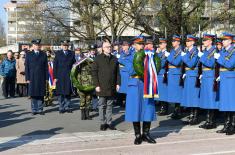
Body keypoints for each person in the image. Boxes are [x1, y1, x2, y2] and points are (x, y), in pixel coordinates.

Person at [124, 35, 157, 145]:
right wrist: (138, 59)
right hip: (135, 83)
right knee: (135, 109)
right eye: (139, 44)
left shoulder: (149, 55)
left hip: (147, 84)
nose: (142, 46)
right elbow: (131, 71)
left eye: (143, 44)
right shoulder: (129, 56)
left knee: (148, 108)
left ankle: (146, 134)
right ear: (134, 45)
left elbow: (156, 66)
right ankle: (138, 135)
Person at [91, 40, 120, 131]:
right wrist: (96, 85)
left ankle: (109, 122)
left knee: (110, 105)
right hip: (101, 86)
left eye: (110, 47)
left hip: (111, 85)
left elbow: (117, 73)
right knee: (102, 105)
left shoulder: (114, 58)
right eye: (107, 47)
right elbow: (94, 73)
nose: (109, 48)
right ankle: (102, 122)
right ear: (103, 48)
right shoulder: (98, 59)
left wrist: (118, 83)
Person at [216, 32, 235, 135]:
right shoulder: (223, 51)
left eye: (224, 40)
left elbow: (230, 65)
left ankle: (232, 125)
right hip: (224, 78)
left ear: (230, 41)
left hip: (231, 79)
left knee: (232, 103)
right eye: (222, 40)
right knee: (225, 103)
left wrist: (218, 58)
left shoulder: (234, 51)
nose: (222, 41)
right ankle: (226, 125)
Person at [197, 34, 218, 129]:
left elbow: (210, 63)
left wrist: (201, 57)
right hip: (205, 76)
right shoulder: (206, 51)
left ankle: (211, 121)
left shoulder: (214, 51)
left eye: (205, 40)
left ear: (210, 41)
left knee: (211, 99)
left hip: (210, 76)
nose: (203, 42)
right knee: (206, 98)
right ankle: (208, 120)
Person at [180, 35, 200, 125]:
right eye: (186, 41)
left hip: (193, 75)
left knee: (193, 97)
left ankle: (195, 117)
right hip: (188, 75)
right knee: (189, 96)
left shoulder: (195, 51)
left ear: (192, 42)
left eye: (188, 41)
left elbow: (191, 64)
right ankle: (191, 115)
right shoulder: (188, 51)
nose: (186, 43)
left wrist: (184, 57)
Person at [25, 39, 48, 115]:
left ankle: (40, 109)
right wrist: (27, 78)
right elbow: (27, 67)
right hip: (32, 77)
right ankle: (34, 109)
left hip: (41, 77)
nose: (37, 46)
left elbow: (46, 67)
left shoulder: (43, 54)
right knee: (33, 94)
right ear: (33, 46)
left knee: (41, 93)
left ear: (40, 46)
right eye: (35, 45)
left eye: (38, 45)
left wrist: (46, 78)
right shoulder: (28, 54)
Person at [53, 40, 76, 114]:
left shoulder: (72, 53)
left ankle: (67, 106)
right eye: (64, 45)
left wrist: (74, 75)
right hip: (60, 75)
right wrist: (55, 77)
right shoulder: (58, 53)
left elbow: (74, 64)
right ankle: (61, 107)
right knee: (60, 92)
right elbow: (55, 66)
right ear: (61, 46)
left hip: (69, 75)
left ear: (68, 46)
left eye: (66, 45)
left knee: (68, 92)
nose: (65, 46)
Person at [165, 35, 183, 119]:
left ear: (178, 42)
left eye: (174, 41)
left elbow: (177, 62)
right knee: (173, 94)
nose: (173, 42)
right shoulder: (172, 50)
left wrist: (168, 57)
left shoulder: (181, 51)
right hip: (171, 73)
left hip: (176, 73)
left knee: (177, 93)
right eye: (172, 41)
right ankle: (175, 110)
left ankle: (178, 111)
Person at [77, 51, 94, 120]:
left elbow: (92, 69)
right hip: (81, 84)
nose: (86, 54)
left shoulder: (90, 62)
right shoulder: (78, 62)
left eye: (87, 53)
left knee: (89, 99)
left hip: (89, 83)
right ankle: (83, 115)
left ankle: (87, 115)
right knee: (82, 100)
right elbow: (75, 73)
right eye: (84, 53)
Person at [156, 38, 169, 115]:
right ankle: (161, 106)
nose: (160, 45)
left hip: (163, 73)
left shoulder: (166, 54)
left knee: (163, 92)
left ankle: (164, 108)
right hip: (158, 73)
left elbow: (162, 64)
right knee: (160, 92)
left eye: (161, 44)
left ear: (165, 44)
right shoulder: (159, 53)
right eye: (159, 44)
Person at [117, 41, 130, 108]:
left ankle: (126, 102)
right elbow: (119, 60)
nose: (124, 47)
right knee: (121, 88)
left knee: (126, 89)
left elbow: (122, 61)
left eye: (125, 45)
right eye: (123, 45)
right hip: (121, 72)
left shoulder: (130, 53)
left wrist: (122, 60)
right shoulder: (121, 53)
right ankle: (120, 102)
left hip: (127, 73)